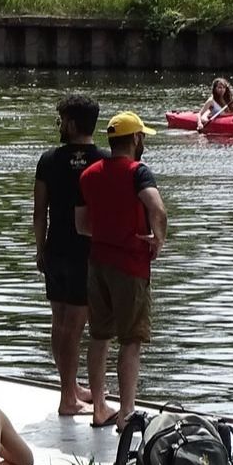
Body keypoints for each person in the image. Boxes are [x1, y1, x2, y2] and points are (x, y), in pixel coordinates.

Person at [76, 112, 167, 428]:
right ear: (136, 139)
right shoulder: (138, 172)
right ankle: (126, 413)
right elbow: (156, 206)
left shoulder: (88, 175)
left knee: (99, 336)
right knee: (131, 339)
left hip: (97, 263)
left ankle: (99, 406)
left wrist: (107, 232)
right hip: (130, 265)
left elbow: (82, 225)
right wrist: (158, 239)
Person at [32, 95, 107, 415]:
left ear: (73, 123)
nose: (59, 125)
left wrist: (39, 248)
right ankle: (67, 398)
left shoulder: (48, 159)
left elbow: (39, 211)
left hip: (55, 248)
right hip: (86, 252)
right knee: (75, 325)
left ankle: (70, 386)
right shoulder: (104, 160)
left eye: (61, 120)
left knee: (60, 321)